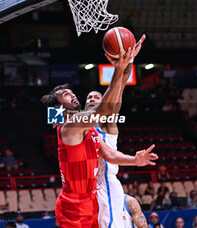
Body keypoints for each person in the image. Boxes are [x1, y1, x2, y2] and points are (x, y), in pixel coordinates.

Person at [41, 36, 157, 228]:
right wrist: (119, 68)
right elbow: (104, 109)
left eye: (71, 92)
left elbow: (110, 154)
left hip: (92, 198)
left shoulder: (90, 130)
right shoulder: (70, 125)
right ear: (59, 107)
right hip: (74, 204)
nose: (72, 94)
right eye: (65, 95)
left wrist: (135, 161)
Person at [83, 40, 149, 228]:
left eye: (96, 97)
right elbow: (52, 116)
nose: (92, 99)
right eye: (89, 98)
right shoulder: (79, 124)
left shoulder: (106, 120)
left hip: (104, 182)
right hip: (87, 189)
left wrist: (128, 62)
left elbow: (118, 90)